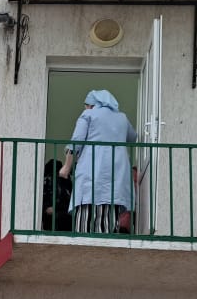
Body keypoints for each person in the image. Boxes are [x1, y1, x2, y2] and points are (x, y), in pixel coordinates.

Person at [59, 90, 138, 234]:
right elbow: (132, 138)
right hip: (117, 174)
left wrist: (66, 167)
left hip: (92, 172)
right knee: (108, 222)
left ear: (92, 104)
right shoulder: (122, 118)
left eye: (86, 105)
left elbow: (75, 143)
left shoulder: (88, 114)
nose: (86, 108)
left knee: (85, 222)